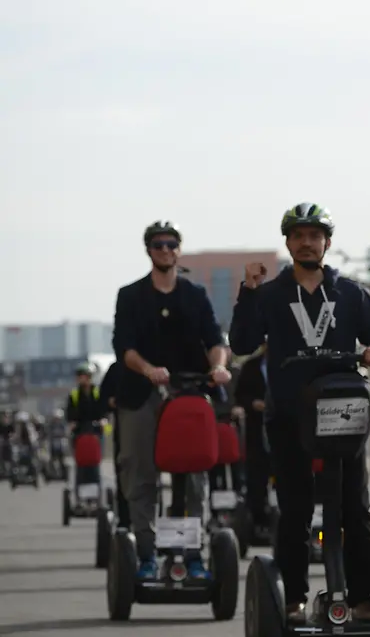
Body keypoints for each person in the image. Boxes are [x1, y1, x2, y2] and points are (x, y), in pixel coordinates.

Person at [229, 202, 370, 624]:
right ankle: (293, 599)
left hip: (343, 416)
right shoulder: (269, 294)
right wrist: (247, 292)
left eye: (315, 235)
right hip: (288, 416)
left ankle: (361, 596)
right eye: (299, 235)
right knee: (296, 510)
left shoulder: (350, 293)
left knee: (355, 509)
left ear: (327, 243)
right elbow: (243, 342)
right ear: (288, 242)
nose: (307, 242)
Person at [112, 220, 231, 581]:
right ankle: (146, 554)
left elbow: (214, 338)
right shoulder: (131, 295)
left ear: (179, 249)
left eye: (171, 244)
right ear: (148, 250)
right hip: (142, 394)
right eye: (158, 244)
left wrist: (220, 367)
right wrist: (149, 370)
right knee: (141, 473)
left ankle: (193, 555)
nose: (165, 250)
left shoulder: (194, 294)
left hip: (190, 392)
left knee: (194, 473)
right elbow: (124, 347)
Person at [232, 344, 271, 539]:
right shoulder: (252, 366)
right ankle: (258, 521)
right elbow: (240, 396)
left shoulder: (289, 363)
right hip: (257, 429)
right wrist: (253, 403)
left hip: (283, 426)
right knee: (257, 477)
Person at [65, 362, 108, 494]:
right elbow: (69, 413)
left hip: (95, 432)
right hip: (79, 432)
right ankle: (79, 495)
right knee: (81, 463)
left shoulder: (98, 392)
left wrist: (103, 420)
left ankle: (98, 493)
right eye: (80, 376)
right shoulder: (74, 395)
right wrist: (72, 423)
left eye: (84, 376)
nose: (82, 379)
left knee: (94, 462)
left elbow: (103, 410)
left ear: (90, 377)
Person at [100, 361, 131, 529]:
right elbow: (103, 399)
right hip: (123, 426)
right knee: (123, 470)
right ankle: (125, 521)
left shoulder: (158, 362)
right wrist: (110, 402)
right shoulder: (116, 369)